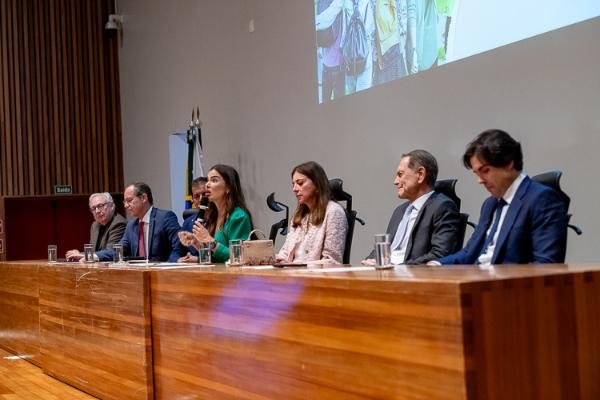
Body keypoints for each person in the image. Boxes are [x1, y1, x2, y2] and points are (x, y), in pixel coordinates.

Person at [435, 129, 568, 265]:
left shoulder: (542, 199)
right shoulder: (490, 204)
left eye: (485, 171)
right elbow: (469, 253)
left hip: (505, 278)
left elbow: (546, 264)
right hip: (478, 274)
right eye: (477, 174)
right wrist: (435, 265)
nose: (480, 180)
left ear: (508, 163)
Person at [362, 150, 461, 265]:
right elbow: (385, 247)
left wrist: (399, 267)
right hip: (386, 271)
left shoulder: (443, 207)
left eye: (400, 174)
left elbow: (440, 254)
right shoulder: (400, 211)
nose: (395, 181)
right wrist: (370, 260)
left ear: (420, 174)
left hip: (412, 273)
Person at [276, 161, 348, 265]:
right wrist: (274, 260)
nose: (294, 189)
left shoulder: (334, 212)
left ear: (317, 184)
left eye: (300, 183)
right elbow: (285, 253)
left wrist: (294, 266)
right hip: (293, 272)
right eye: (293, 184)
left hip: (314, 274)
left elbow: (332, 261)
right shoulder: (299, 215)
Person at [178, 165, 253, 263]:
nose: (207, 185)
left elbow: (238, 257)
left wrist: (209, 240)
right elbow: (216, 257)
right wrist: (196, 242)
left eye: (214, 180)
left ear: (228, 187)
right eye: (208, 180)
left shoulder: (238, 217)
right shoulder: (212, 216)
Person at [96, 182, 186, 262]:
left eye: (129, 201)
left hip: (162, 272)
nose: (126, 205)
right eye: (124, 202)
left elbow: (179, 245)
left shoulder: (164, 218)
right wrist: (94, 256)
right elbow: (118, 250)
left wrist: (172, 262)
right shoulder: (131, 226)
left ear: (143, 198)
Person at [65, 193, 127, 261]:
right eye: (93, 208)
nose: (97, 211)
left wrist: (83, 255)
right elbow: (93, 252)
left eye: (100, 206)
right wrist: (79, 254)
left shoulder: (119, 223)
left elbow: (110, 252)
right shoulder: (94, 225)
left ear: (112, 206)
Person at [178, 177, 209, 263]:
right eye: (196, 196)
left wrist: (198, 259)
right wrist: (179, 259)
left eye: (204, 194)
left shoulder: (220, 219)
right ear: (192, 200)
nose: (201, 199)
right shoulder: (187, 222)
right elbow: (177, 250)